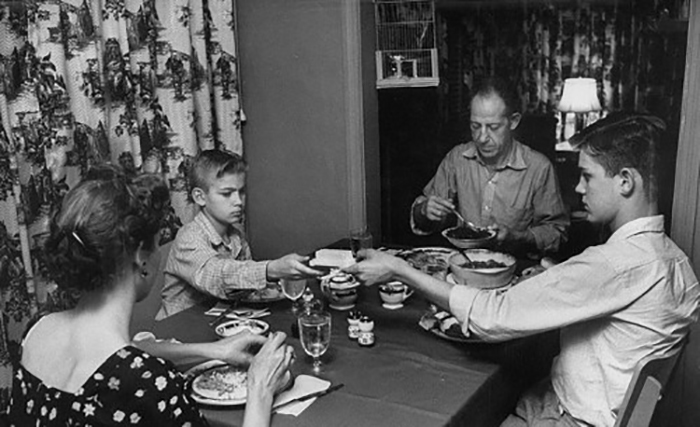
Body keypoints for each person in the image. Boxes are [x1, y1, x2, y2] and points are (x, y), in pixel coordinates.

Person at [347, 113, 700, 427]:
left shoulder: (612, 264)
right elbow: (611, 291)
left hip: (564, 417)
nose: (578, 188)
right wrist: (558, 276)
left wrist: (398, 269)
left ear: (625, 181)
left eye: (587, 176)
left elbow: (492, 315)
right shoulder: (676, 263)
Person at [7, 165, 293, 427]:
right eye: (157, 245)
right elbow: (130, 368)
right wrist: (260, 388)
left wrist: (214, 351)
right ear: (141, 259)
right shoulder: (150, 381)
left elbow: (117, 357)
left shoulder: (37, 330)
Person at [411, 76, 568, 255]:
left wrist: (519, 237)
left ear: (513, 121)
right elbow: (422, 218)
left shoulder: (539, 168)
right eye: (475, 126)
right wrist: (424, 210)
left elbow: (558, 233)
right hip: (464, 265)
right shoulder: (457, 159)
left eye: (493, 127)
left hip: (515, 270)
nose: (482, 138)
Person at [157, 149, 322, 319]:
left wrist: (276, 283)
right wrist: (270, 269)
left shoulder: (236, 235)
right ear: (200, 197)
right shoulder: (189, 237)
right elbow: (216, 276)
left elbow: (242, 283)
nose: (238, 201)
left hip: (218, 323)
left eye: (241, 192)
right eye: (227, 194)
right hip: (178, 329)